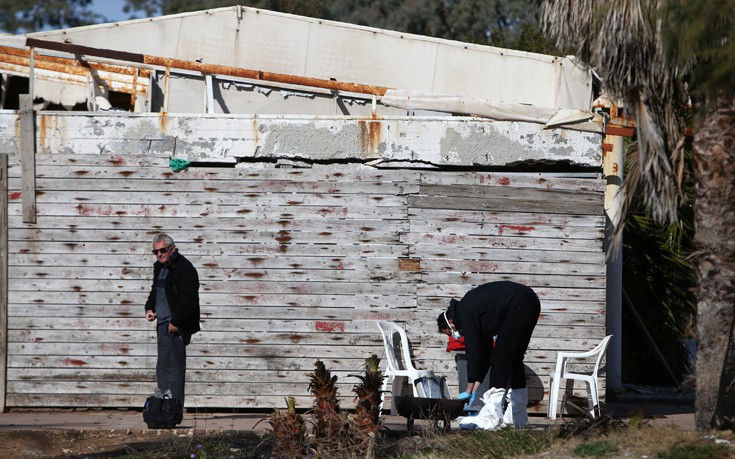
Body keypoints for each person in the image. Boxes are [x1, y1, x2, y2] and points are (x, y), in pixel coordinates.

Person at [437, 280, 540, 429]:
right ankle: (517, 417)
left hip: (519, 304)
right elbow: (484, 357)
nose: (453, 336)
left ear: (450, 323)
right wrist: (474, 389)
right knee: (514, 358)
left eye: (449, 333)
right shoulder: (475, 314)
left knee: (501, 357)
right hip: (529, 303)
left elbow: (472, 352)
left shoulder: (465, 312)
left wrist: (467, 390)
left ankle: (492, 417)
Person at [144, 234, 200, 408]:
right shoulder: (160, 268)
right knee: (162, 368)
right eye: (156, 251)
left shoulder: (185, 269)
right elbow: (155, 292)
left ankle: (174, 408)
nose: (159, 254)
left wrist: (176, 323)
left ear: (172, 248)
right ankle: (163, 408)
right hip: (162, 325)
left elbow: (188, 300)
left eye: (162, 250)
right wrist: (149, 308)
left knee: (174, 370)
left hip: (174, 326)